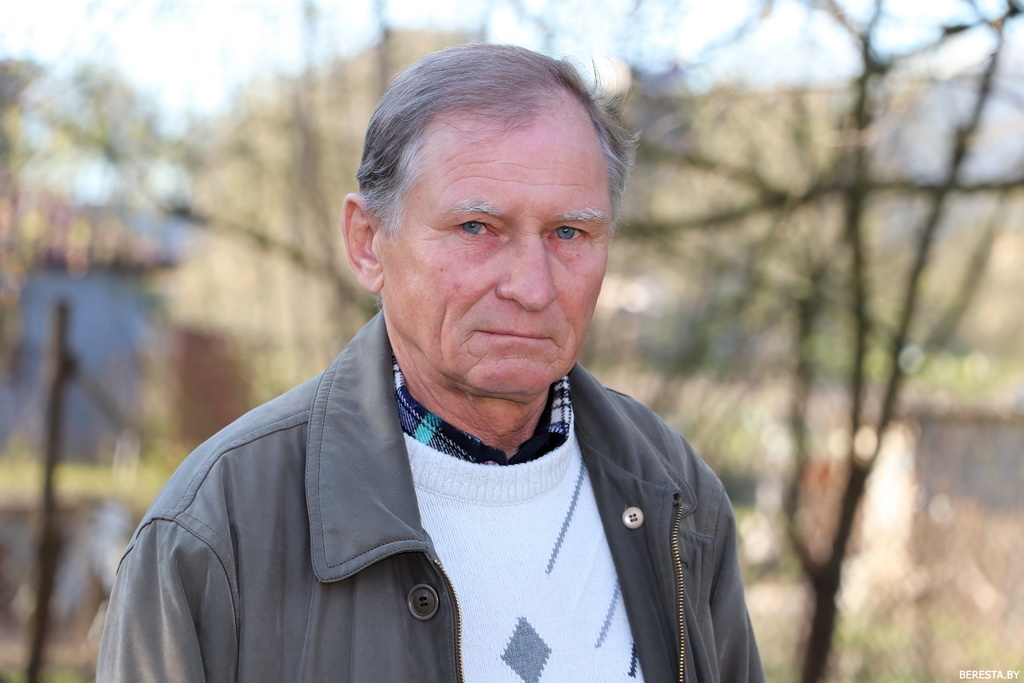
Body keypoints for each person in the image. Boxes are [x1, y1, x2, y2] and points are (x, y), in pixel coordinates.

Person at [98, 43, 763, 682]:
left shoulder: (675, 492)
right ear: (368, 243)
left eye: (569, 232)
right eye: (477, 228)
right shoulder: (217, 527)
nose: (532, 287)